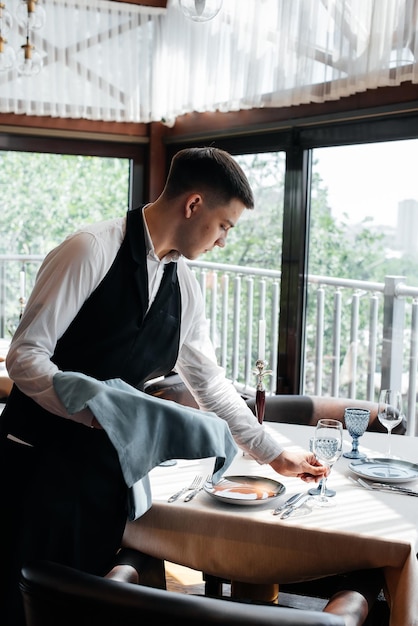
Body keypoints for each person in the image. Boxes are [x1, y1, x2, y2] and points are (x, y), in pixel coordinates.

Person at [0, 146, 326, 626]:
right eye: (224, 226)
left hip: (103, 478)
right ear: (193, 205)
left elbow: (209, 382)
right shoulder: (90, 248)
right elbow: (24, 355)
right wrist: (99, 409)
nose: (223, 242)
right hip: (33, 467)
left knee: (77, 608)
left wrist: (271, 451)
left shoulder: (184, 285)